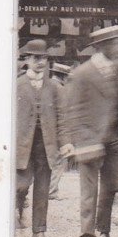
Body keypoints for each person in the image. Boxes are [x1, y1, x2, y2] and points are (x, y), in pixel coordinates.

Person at [62, 25, 118, 237]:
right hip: (90, 140)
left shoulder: (116, 69)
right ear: (104, 46)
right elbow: (72, 110)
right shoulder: (82, 73)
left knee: (111, 187)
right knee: (89, 192)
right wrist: (79, 141)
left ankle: (103, 231)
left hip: (113, 140)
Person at [16, 39, 68, 237]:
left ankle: (39, 231)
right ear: (27, 59)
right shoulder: (16, 85)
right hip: (22, 143)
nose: (40, 63)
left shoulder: (54, 87)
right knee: (20, 186)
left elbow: (62, 117)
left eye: (44, 59)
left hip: (46, 144)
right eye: (36, 58)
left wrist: (65, 142)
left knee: (43, 188)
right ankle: (18, 210)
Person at [47, 61, 73, 201]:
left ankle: (49, 189)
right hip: (58, 131)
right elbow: (63, 112)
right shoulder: (60, 88)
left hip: (48, 130)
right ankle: (52, 191)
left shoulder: (48, 85)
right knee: (59, 162)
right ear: (63, 76)